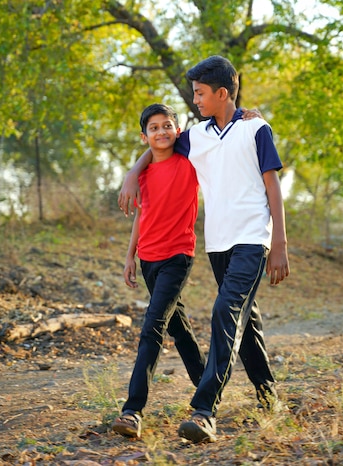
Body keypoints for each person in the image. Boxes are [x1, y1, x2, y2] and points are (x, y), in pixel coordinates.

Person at [118, 56, 290, 444]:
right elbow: (159, 142)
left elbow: (273, 186)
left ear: (222, 93)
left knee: (224, 311)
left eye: (199, 93)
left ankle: (205, 409)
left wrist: (279, 242)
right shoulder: (197, 136)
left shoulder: (256, 129)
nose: (194, 100)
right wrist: (132, 172)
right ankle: (268, 396)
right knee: (246, 323)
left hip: (253, 238)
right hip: (218, 243)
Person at [112, 103, 206, 440]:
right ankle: (208, 388)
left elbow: (220, 131)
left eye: (168, 126)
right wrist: (129, 257)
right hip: (148, 258)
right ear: (144, 135)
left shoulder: (190, 162)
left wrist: (246, 114)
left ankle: (132, 410)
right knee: (178, 329)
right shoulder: (143, 174)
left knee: (152, 327)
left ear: (177, 130)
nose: (161, 132)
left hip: (178, 255)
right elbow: (141, 215)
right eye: (154, 128)